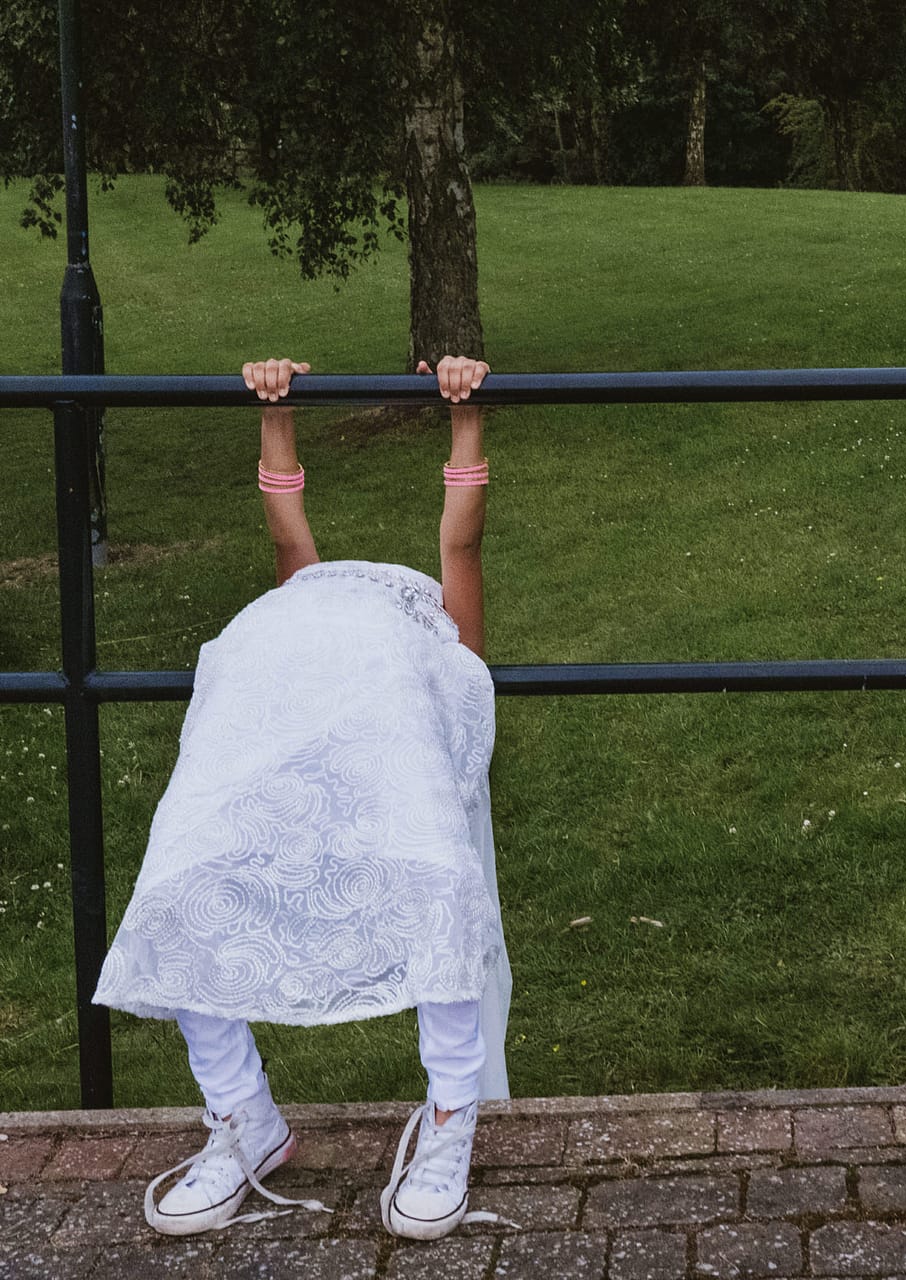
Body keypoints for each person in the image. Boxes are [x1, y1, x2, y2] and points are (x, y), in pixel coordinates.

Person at [93, 355, 512, 1240]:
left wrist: (466, 413)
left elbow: (460, 540)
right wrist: (273, 404)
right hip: (268, 715)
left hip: (388, 747)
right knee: (180, 874)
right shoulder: (300, 592)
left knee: (439, 880)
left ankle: (448, 1122)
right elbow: (287, 525)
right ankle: (245, 1118)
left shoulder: (439, 626)